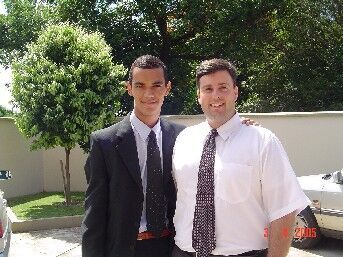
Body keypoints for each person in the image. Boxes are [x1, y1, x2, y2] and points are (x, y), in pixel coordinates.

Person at [172, 59, 310, 257]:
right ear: (198, 95)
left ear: (235, 92)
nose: (216, 95)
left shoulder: (263, 142)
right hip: (184, 252)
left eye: (223, 87)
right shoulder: (184, 140)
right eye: (208, 89)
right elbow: (181, 194)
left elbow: (284, 211)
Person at [82, 55, 185, 257]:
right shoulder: (105, 143)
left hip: (173, 248)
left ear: (167, 88)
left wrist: (243, 127)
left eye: (157, 85)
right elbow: (95, 213)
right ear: (129, 88)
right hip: (126, 250)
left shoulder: (183, 137)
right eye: (140, 85)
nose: (149, 93)